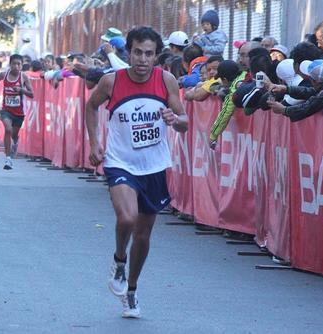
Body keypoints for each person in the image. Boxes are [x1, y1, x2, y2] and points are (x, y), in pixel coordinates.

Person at [85, 26, 188, 318]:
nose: (143, 59)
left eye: (149, 54)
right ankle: (119, 259)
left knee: (143, 234)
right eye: (138, 53)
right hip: (120, 161)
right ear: (128, 52)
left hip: (154, 166)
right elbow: (90, 107)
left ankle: (131, 290)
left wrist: (174, 118)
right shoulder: (111, 81)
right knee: (127, 217)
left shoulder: (166, 80)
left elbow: (184, 121)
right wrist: (94, 142)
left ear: (157, 56)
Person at [0, 54, 34, 170]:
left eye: (19, 64)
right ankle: (8, 158)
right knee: (8, 129)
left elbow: (32, 94)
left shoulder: (23, 77)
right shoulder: (4, 74)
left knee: (14, 134)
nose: (16, 66)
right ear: (10, 64)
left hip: (19, 112)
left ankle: (15, 141)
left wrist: (21, 90)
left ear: (21, 65)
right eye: (14, 64)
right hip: (6, 110)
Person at [208, 60, 246, 149]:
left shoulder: (235, 86)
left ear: (225, 79)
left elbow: (225, 113)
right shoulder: (245, 75)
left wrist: (213, 135)